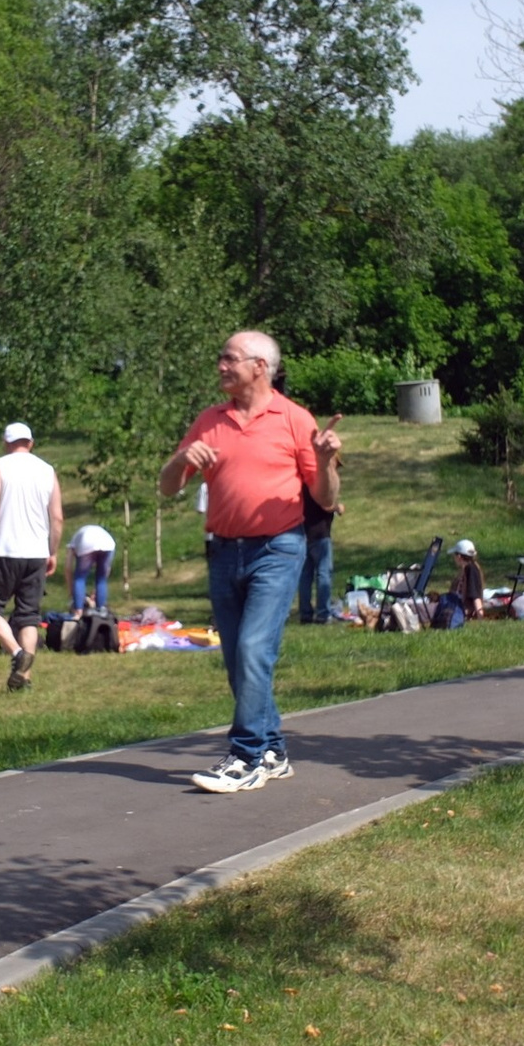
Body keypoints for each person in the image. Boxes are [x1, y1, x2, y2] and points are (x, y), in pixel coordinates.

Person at [159, 331, 342, 793]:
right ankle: (274, 749)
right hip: (222, 550)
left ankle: (245, 757)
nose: (220, 365)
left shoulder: (295, 419)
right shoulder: (210, 419)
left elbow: (323, 496)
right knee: (239, 661)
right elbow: (167, 487)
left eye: (229, 358)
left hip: (278, 549)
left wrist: (326, 463)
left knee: (254, 650)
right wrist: (181, 458)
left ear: (260, 366)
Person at [0, 421, 63, 692]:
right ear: (31, 443)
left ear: (6, 442)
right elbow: (57, 517)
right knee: (28, 616)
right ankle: (24, 679)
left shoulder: (0, 466)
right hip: (36, 552)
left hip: (4, 549)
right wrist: (53, 550)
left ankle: (15, 653)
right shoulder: (47, 470)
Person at [297, 483, 338, 624]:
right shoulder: (320, 484)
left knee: (305, 576)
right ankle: (323, 613)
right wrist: (338, 507)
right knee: (324, 573)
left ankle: (305, 613)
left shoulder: (301, 485)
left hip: (303, 534)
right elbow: (327, 505)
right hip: (321, 534)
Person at [67, 521, 116, 614]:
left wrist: (71, 592)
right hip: (108, 542)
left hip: (87, 541)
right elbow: (107, 570)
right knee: (101, 578)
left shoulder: (73, 543)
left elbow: (67, 569)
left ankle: (78, 611)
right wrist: (96, 592)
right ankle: (101, 610)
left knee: (80, 578)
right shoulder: (78, 538)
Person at [451, 538, 488, 620]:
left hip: (461, 609)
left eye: (454, 555)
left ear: (459, 557)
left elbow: (475, 595)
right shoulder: (469, 567)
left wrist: (480, 617)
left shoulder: (471, 569)